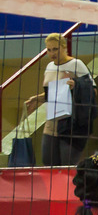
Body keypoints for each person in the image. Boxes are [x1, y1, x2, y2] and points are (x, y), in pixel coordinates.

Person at [25, 33, 93, 167]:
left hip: (71, 124)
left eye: (55, 49)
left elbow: (93, 90)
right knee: (48, 164)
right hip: (51, 123)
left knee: (68, 165)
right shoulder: (49, 67)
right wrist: (37, 98)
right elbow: (52, 94)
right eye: (49, 50)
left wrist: (76, 85)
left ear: (64, 47)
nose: (52, 53)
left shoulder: (76, 64)